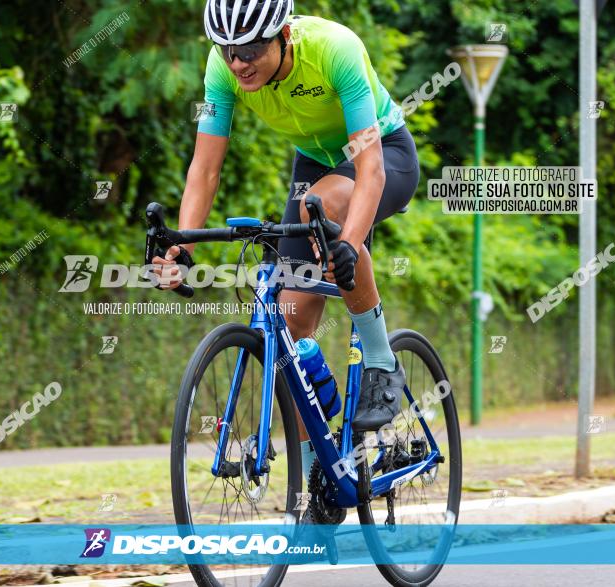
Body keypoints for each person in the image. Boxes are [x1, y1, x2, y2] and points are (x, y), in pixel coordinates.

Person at [152, 0, 420, 483]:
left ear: (284, 36)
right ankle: (320, 477)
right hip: (313, 169)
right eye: (229, 49)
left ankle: (381, 364)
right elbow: (205, 167)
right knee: (291, 335)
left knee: (324, 207)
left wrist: (350, 244)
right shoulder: (223, 69)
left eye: (252, 48)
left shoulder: (336, 49)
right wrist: (183, 244)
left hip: (382, 154)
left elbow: (371, 169)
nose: (238, 62)